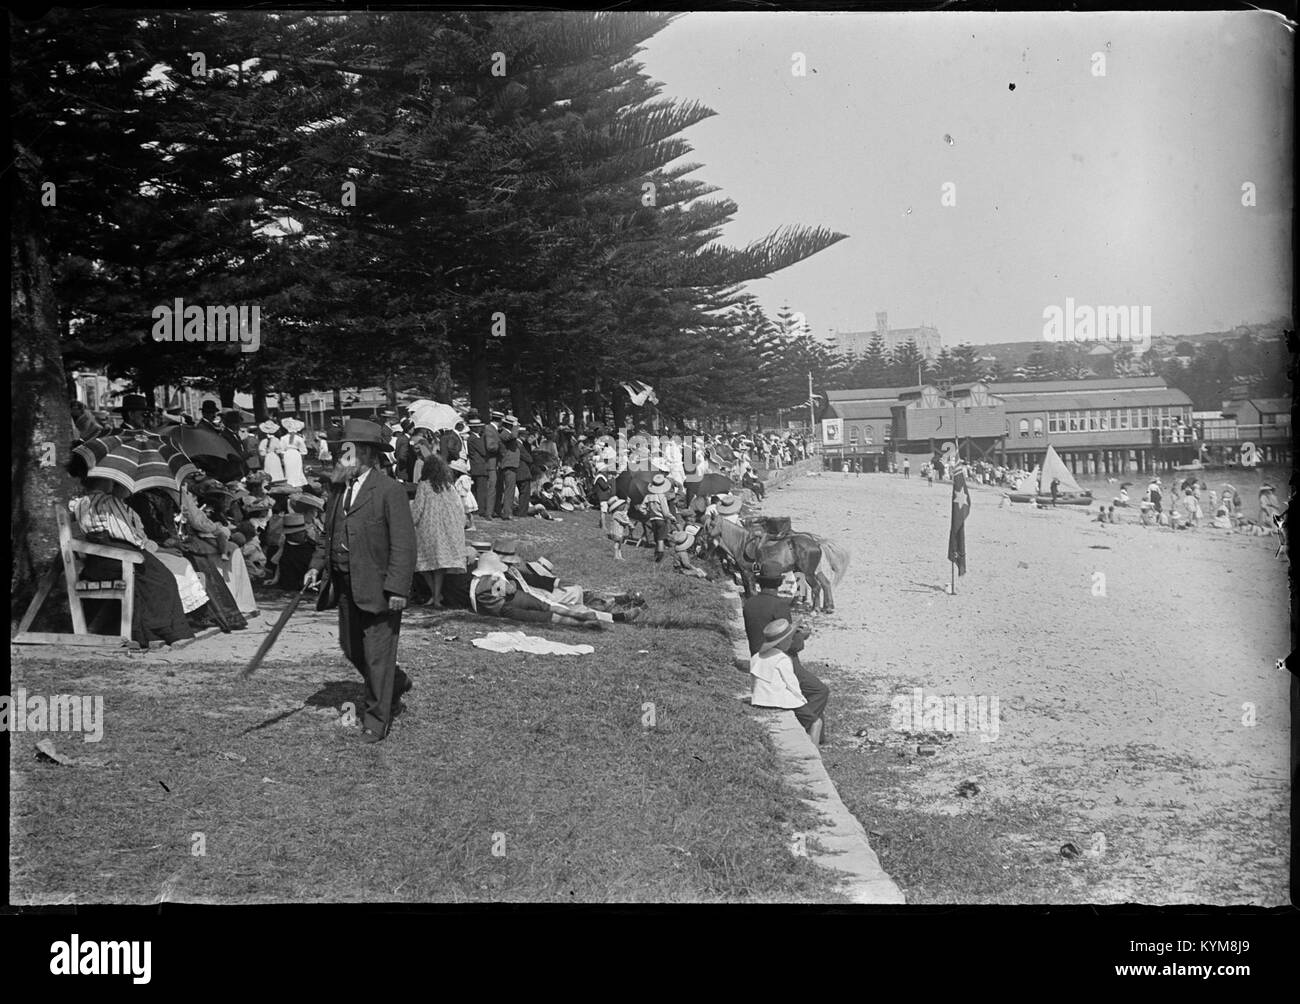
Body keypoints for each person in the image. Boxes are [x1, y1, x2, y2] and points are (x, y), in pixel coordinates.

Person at [303, 419, 416, 744]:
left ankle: (376, 720)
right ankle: (393, 681)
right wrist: (317, 566)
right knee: (352, 648)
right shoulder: (339, 490)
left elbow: (404, 545)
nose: (341, 457)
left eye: (347, 452)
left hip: (380, 588)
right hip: (345, 586)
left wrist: (397, 589)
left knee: (378, 655)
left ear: (365, 454)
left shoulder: (389, 490)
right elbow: (329, 534)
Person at [68, 478, 196, 646]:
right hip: (116, 554)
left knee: (154, 577)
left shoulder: (80, 503)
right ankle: (159, 630)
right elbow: (125, 532)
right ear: (105, 483)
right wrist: (143, 547)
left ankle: (150, 630)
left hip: (97, 560)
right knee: (163, 579)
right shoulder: (109, 501)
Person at [742, 560, 828, 744]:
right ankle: (807, 730)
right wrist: (803, 636)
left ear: (760, 581)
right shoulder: (779, 606)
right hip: (779, 658)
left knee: (813, 689)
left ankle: (815, 733)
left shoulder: (749, 604)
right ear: (780, 582)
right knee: (820, 690)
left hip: (758, 657)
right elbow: (787, 643)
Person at [410, 449, 468, 608]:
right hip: (446, 529)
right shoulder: (448, 486)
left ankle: (435, 596)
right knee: (439, 566)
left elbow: (418, 508)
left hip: (428, 529)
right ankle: (436, 596)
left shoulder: (423, 485)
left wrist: (411, 523)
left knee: (422, 564)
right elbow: (458, 507)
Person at [749, 619, 817, 740]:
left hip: (759, 699)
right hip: (779, 700)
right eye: (789, 639)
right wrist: (802, 699)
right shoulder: (782, 659)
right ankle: (813, 751)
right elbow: (792, 684)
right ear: (783, 642)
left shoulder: (756, 657)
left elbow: (754, 682)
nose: (791, 641)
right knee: (815, 722)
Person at [466, 409, 499, 520]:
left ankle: (479, 508)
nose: (481, 428)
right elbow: (483, 451)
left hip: (478, 466)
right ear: (474, 428)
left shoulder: (473, 438)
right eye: (479, 427)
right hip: (479, 466)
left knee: (479, 488)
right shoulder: (474, 439)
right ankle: (481, 509)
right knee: (482, 489)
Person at [494, 414, 520, 520]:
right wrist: (516, 426)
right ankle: (507, 513)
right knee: (509, 490)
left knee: (506, 489)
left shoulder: (505, 433)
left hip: (509, 464)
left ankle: (502, 510)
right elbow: (513, 436)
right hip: (508, 464)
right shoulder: (505, 433)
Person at [281, 419, 309, 488]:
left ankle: (289, 482)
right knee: (297, 468)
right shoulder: (299, 438)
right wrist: (302, 459)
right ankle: (297, 482)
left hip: (287, 454)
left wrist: (282, 457)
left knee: (289, 468)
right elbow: (303, 451)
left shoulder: (283, 438)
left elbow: (281, 449)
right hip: (296, 454)